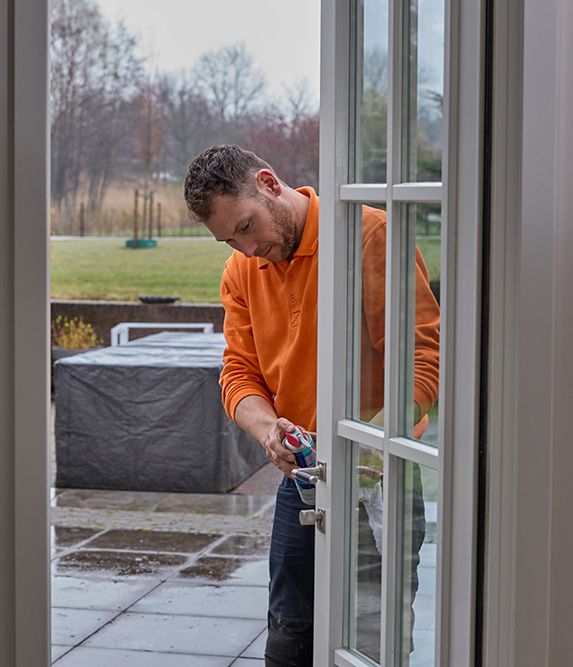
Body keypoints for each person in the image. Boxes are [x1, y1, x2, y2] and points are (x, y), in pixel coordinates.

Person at [183, 144, 440, 665]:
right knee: (289, 637)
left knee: (375, 638)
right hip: (306, 476)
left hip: (379, 472)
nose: (246, 248)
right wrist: (266, 429)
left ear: (270, 183)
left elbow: (424, 358)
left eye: (247, 226)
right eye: (229, 239)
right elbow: (238, 373)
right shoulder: (240, 268)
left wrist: (375, 444)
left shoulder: (370, 237)